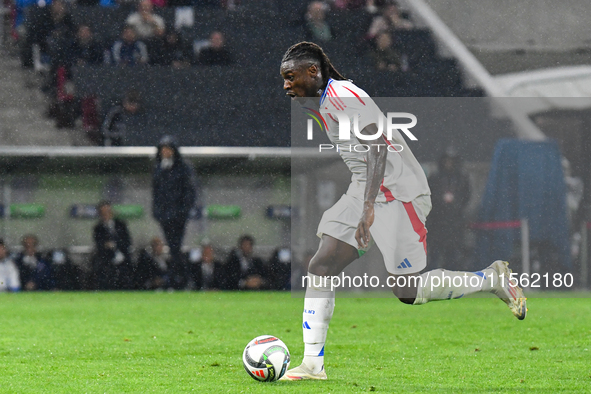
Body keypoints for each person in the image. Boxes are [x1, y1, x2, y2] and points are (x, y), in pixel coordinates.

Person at [278, 41, 527, 381]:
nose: (286, 85)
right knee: (321, 264)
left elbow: (378, 146)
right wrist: (364, 199)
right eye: (283, 79)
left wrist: (368, 208)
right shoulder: (320, 103)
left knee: (407, 291)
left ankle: (491, 279)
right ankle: (312, 365)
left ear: (313, 72)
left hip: (398, 192)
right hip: (364, 185)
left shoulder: (343, 95)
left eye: (291, 77)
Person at [152, 135, 196, 286]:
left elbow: (189, 192)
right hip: (165, 216)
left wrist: (182, 212)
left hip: (178, 215)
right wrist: (158, 212)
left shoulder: (184, 168)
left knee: (175, 246)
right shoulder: (159, 168)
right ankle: (179, 278)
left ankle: (179, 278)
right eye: (163, 149)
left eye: (168, 149)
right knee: (172, 247)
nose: (165, 152)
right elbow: (156, 193)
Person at [427, 149, 471, 269]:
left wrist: (454, 206)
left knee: (453, 257)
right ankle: (432, 283)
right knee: (434, 256)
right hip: (437, 223)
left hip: (454, 224)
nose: (449, 164)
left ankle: (452, 283)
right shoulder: (435, 178)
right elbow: (430, 196)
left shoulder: (461, 179)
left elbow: (466, 197)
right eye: (446, 161)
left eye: (451, 161)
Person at [92, 200, 133, 290]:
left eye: (107, 211)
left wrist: (116, 244)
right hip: (107, 262)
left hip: (123, 260)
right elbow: (98, 245)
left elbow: (128, 241)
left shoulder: (121, 225)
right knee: (108, 283)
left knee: (125, 284)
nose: (105, 215)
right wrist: (106, 245)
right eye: (103, 212)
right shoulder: (98, 228)